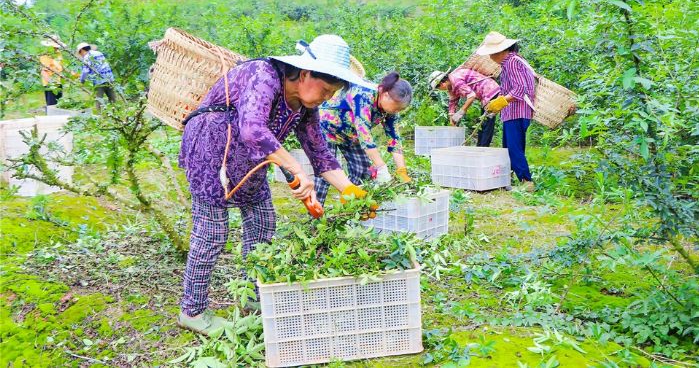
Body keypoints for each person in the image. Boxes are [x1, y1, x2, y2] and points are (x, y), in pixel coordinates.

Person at [177, 34, 376, 335]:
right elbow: (253, 127)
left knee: (262, 224)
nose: (326, 98)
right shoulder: (265, 74)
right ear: (306, 73)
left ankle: (251, 296)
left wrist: (351, 190)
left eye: (331, 93)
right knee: (213, 232)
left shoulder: (306, 105)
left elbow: (320, 153)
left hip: (250, 160)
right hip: (211, 152)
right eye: (325, 90)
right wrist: (294, 167)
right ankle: (192, 311)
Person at [314, 71, 413, 205]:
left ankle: (350, 205)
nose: (396, 112)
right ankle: (315, 213)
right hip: (327, 128)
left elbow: (394, 138)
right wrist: (381, 167)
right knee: (326, 173)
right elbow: (365, 135)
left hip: (350, 135)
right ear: (385, 94)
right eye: (395, 108)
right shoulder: (363, 94)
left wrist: (401, 170)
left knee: (362, 170)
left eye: (399, 110)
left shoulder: (389, 109)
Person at [477, 31, 536, 190]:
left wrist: (502, 101)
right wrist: (497, 105)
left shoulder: (511, 62)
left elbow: (521, 89)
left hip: (517, 111)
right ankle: (506, 180)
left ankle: (527, 182)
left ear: (500, 51)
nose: (490, 57)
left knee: (513, 149)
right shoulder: (514, 61)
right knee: (508, 148)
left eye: (491, 54)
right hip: (513, 112)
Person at [428, 67, 501, 147]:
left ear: (442, 84)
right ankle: (480, 147)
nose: (441, 90)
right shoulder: (450, 85)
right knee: (483, 123)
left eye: (439, 88)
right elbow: (452, 101)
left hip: (490, 90)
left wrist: (460, 112)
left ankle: (483, 148)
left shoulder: (456, 80)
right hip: (484, 95)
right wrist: (451, 119)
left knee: (487, 123)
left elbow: (471, 96)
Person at [75, 42, 116, 110]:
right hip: (109, 78)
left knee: (99, 99)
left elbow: (85, 71)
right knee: (112, 98)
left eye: (80, 53)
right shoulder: (98, 53)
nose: (80, 55)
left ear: (82, 50)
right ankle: (115, 114)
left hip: (99, 81)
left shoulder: (87, 57)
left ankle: (99, 116)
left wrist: (82, 81)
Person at [39, 35, 66, 110]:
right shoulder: (45, 56)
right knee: (52, 107)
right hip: (50, 85)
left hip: (58, 83)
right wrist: (52, 84)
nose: (56, 48)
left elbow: (61, 67)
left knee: (60, 105)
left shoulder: (58, 54)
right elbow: (43, 72)